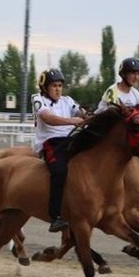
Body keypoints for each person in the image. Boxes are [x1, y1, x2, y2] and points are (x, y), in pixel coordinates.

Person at [32, 68, 87, 232]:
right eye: (54, 86)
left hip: (70, 140)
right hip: (50, 143)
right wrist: (73, 121)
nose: (58, 89)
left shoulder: (67, 100)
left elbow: (82, 113)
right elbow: (48, 119)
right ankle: (55, 216)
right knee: (59, 171)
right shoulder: (37, 99)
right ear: (44, 88)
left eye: (60, 85)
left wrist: (90, 116)